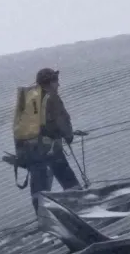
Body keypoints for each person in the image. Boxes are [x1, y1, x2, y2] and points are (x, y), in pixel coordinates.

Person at [12, 68, 80, 200]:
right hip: (49, 148)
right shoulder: (52, 97)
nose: (58, 85)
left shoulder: (28, 99)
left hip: (28, 149)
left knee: (38, 184)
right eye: (56, 81)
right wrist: (68, 136)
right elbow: (62, 120)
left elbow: (17, 125)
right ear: (50, 82)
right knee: (67, 177)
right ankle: (79, 204)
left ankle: (42, 213)